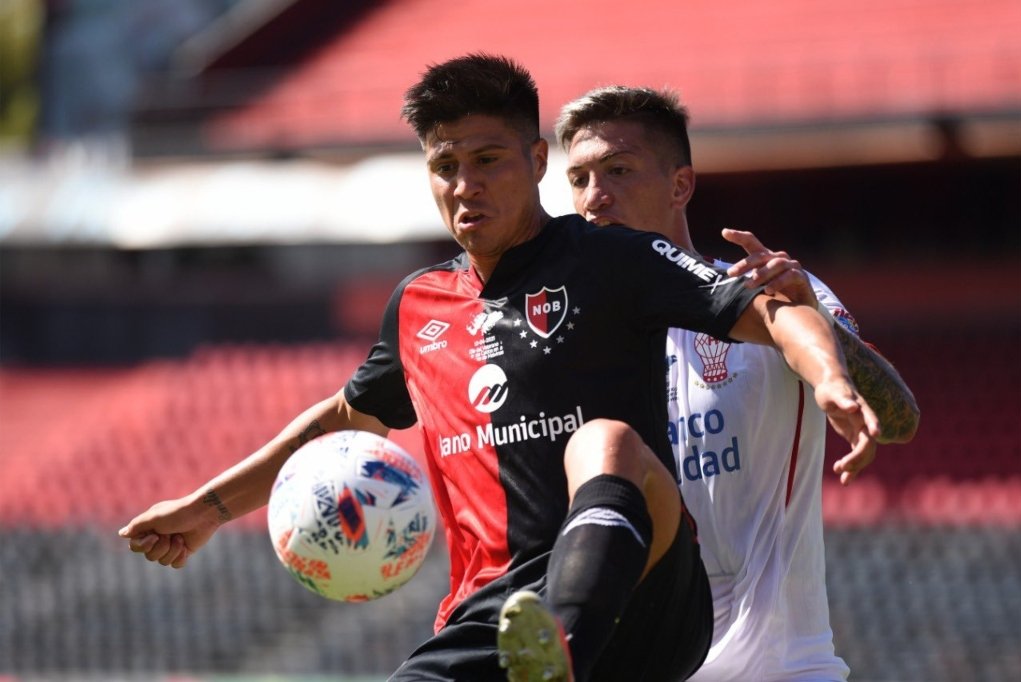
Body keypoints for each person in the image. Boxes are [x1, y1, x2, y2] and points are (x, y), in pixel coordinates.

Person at [119, 54, 880, 682]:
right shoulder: (418, 305)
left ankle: (561, 651)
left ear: (534, 161)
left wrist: (832, 377)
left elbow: (772, 308)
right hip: (492, 614)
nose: (465, 184)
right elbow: (342, 419)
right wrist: (207, 509)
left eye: (486, 160)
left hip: (646, 605)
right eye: (444, 164)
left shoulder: (612, 257)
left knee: (605, 444)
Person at [555, 85, 919, 681]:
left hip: (785, 667)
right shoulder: (582, 339)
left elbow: (901, 420)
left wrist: (826, 336)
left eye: (618, 170)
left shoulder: (768, 295)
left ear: (681, 186)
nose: (595, 198)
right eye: (579, 179)